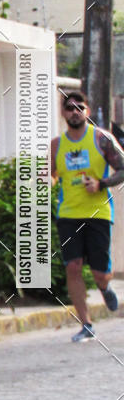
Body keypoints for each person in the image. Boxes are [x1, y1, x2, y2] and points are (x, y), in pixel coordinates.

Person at [51, 90, 124, 341]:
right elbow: (50, 174)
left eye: (79, 107)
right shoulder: (57, 145)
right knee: (73, 267)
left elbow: (122, 168)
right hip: (68, 213)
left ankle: (104, 287)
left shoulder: (102, 139)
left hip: (98, 213)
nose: (75, 112)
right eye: (70, 108)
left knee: (99, 272)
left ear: (87, 111)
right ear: (63, 113)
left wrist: (101, 183)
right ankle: (86, 324)